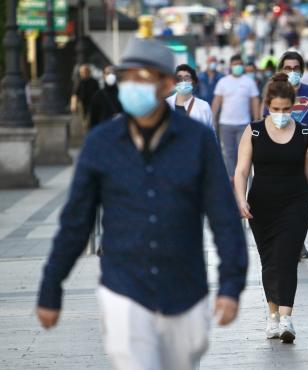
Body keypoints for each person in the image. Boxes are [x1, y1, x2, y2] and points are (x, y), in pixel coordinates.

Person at [36, 37, 248, 370]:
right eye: (126, 78)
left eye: (142, 77)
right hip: (124, 289)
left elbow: (223, 216)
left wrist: (230, 285)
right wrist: (51, 287)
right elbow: (76, 222)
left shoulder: (197, 141)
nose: (132, 85)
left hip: (185, 292)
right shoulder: (102, 144)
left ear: (166, 83)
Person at [234, 72, 308, 344]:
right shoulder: (254, 131)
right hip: (261, 206)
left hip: (296, 204)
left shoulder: (304, 134)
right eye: (276, 109)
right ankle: (273, 317)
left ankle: (287, 317)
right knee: (269, 261)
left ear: (294, 107)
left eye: (286, 109)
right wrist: (240, 199)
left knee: (286, 259)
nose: (281, 114)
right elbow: (240, 171)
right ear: (267, 106)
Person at [267, 51, 308, 259]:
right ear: (281, 70)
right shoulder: (274, 93)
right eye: (287, 68)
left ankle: (299, 242)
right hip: (283, 154)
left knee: (306, 198)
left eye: (295, 68)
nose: (292, 72)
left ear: (301, 70)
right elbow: (268, 122)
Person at [212, 55, 260, 179]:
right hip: (225, 123)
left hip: (243, 124)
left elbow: (255, 101)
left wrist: (257, 120)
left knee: (243, 152)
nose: (237, 67)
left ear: (242, 66)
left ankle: (242, 176)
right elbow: (217, 101)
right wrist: (212, 118)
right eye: (235, 64)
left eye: (239, 64)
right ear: (231, 66)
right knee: (228, 153)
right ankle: (231, 178)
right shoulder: (223, 81)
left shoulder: (249, 82)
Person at [166, 64, 214, 129]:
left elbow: (211, 134)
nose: (183, 81)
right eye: (179, 78)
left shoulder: (203, 106)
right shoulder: (165, 104)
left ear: (193, 82)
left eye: (187, 78)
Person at [88, 66, 122, 130]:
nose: (111, 76)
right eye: (108, 73)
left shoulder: (123, 94)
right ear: (103, 76)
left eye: (113, 73)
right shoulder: (98, 95)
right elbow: (93, 118)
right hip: (103, 131)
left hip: (119, 132)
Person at [71, 64, 100, 128]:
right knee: (83, 119)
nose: (84, 73)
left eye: (86, 72)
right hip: (82, 103)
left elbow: (98, 93)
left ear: (89, 72)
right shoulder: (79, 82)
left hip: (92, 103)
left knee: (90, 118)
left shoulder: (94, 82)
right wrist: (73, 104)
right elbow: (75, 94)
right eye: (82, 72)